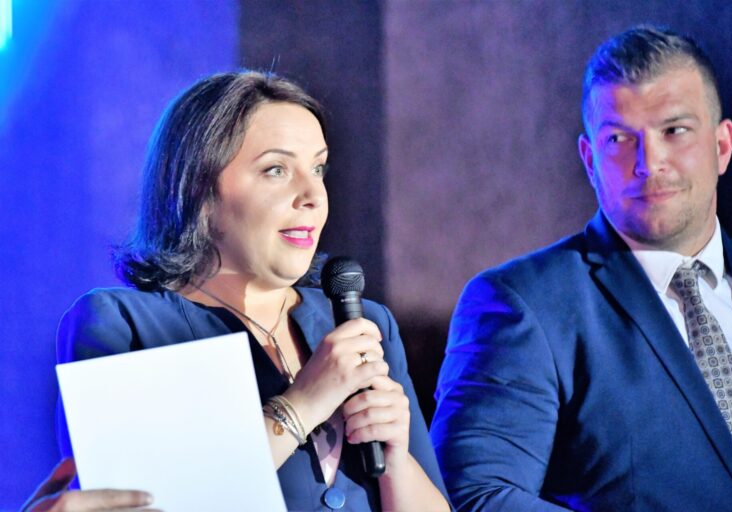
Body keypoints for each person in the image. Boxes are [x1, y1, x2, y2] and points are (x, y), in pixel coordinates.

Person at [24, 71, 449, 512]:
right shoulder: (124, 325)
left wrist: (395, 459)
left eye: (318, 169)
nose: (313, 195)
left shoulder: (364, 325)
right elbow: (145, 502)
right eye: (276, 170)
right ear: (199, 190)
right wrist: (301, 405)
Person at [430, 25, 732, 511]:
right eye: (619, 139)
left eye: (674, 131)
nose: (649, 162)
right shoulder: (522, 305)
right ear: (590, 160)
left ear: (722, 146)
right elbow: (475, 497)